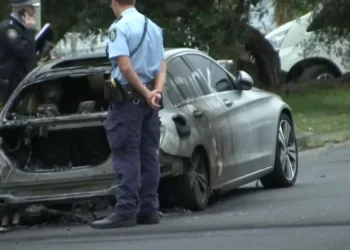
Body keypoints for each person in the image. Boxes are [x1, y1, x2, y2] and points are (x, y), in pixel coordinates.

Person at [91, 0, 166, 229]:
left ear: (114, 3)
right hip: (151, 100)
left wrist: (144, 93)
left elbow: (124, 67)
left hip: (128, 102)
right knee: (149, 155)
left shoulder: (119, 27)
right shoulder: (152, 26)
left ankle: (125, 210)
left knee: (127, 154)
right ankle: (149, 209)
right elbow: (163, 65)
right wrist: (156, 92)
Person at [0, 0, 38, 105]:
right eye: (31, 7)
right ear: (22, 9)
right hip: (13, 84)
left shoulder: (21, 26)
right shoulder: (9, 28)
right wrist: (30, 31)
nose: (34, 11)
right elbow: (25, 51)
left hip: (23, 79)